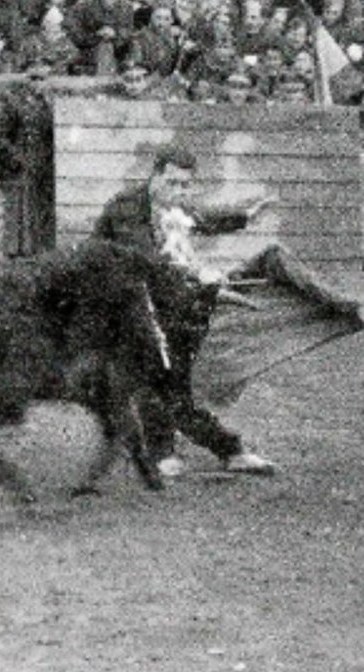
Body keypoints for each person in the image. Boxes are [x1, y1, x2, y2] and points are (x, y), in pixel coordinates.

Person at [92, 143, 277, 478]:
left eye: (185, 184)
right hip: (121, 303)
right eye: (173, 183)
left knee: (172, 380)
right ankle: (180, 452)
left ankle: (219, 450)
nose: (179, 191)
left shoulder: (168, 204)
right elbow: (147, 261)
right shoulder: (126, 208)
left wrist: (245, 216)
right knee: (160, 376)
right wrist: (199, 276)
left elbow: (200, 219)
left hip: (162, 299)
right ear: (155, 176)